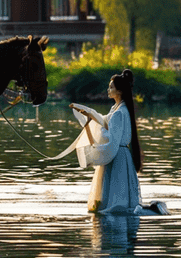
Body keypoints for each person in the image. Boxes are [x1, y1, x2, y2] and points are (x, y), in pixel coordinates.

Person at [70, 69, 169, 215]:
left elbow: (111, 142)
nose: (108, 89)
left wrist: (94, 136)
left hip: (118, 158)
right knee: (115, 204)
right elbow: (104, 120)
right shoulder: (117, 109)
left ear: (120, 91)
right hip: (121, 156)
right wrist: (89, 114)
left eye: (111, 87)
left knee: (116, 207)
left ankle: (151, 211)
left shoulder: (119, 113)